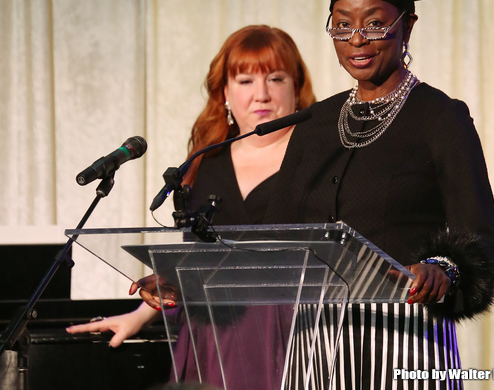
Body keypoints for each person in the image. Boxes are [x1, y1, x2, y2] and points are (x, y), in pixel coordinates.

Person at [262, 0, 494, 389]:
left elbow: (483, 245)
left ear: (407, 27)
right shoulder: (313, 123)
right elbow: (274, 236)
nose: (357, 39)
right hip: (315, 345)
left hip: (406, 340)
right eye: (342, 24)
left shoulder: (440, 119)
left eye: (375, 24)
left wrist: (440, 269)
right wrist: (185, 277)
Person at [66, 25, 316, 388]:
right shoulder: (206, 162)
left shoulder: (318, 156)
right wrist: (140, 316)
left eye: (275, 78)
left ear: (296, 87)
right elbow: (194, 261)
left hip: (291, 336)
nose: (261, 95)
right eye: (245, 81)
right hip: (211, 334)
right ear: (225, 93)